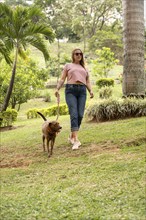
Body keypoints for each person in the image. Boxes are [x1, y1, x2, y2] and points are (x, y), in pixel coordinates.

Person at [55, 48, 94, 150]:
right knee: (74, 114)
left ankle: (72, 135)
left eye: (80, 54)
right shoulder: (68, 66)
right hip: (70, 90)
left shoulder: (84, 68)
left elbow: (88, 81)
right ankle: (76, 140)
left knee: (80, 115)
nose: (79, 55)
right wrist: (57, 89)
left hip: (82, 91)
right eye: (76, 54)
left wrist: (90, 91)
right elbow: (63, 78)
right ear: (73, 55)